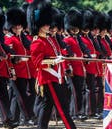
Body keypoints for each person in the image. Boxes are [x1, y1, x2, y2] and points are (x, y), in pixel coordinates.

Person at [27, 0, 76, 128]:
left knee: (46, 107)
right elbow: (37, 63)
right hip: (48, 79)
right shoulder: (37, 42)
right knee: (62, 108)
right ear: (39, 24)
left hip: (55, 77)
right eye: (46, 23)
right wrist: (54, 61)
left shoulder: (49, 39)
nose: (49, 25)